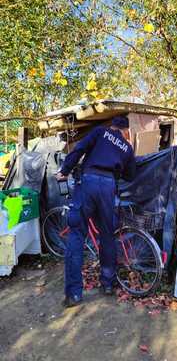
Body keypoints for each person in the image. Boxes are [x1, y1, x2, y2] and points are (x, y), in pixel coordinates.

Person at [57, 115, 136, 308]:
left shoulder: (100, 132)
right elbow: (130, 175)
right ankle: (107, 284)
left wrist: (65, 170)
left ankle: (74, 294)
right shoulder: (127, 147)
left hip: (88, 182)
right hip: (108, 188)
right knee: (107, 235)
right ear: (125, 131)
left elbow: (80, 149)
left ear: (112, 126)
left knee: (76, 235)